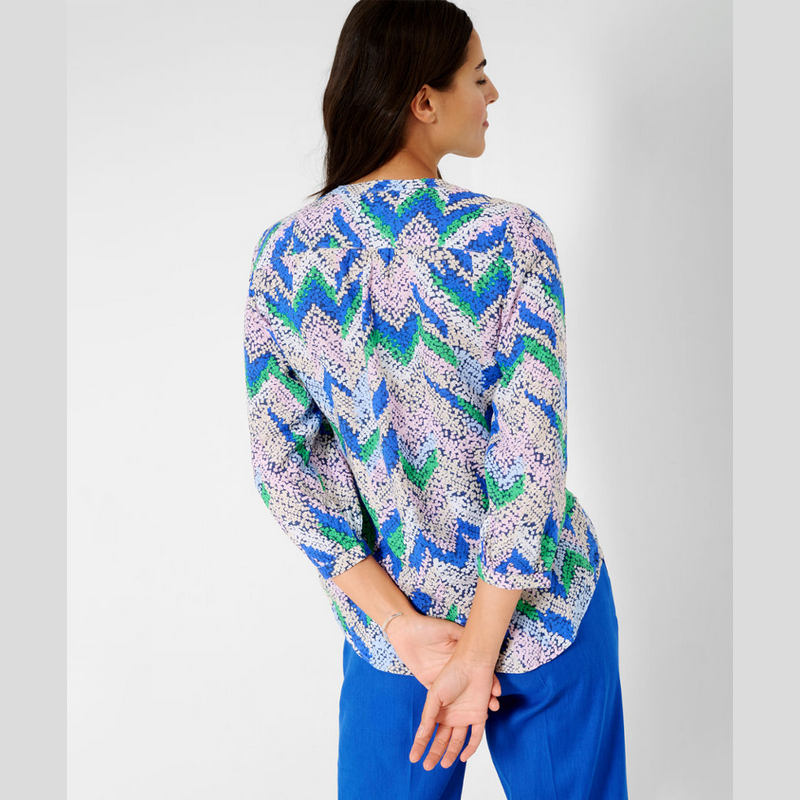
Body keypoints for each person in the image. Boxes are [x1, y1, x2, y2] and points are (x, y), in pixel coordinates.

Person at [243, 1, 629, 797]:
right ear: (424, 100)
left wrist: (401, 626)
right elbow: (530, 457)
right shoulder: (512, 238)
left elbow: (284, 469)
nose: (493, 94)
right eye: (478, 76)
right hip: (544, 612)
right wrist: (480, 647)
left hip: (398, 637)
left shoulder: (286, 257)